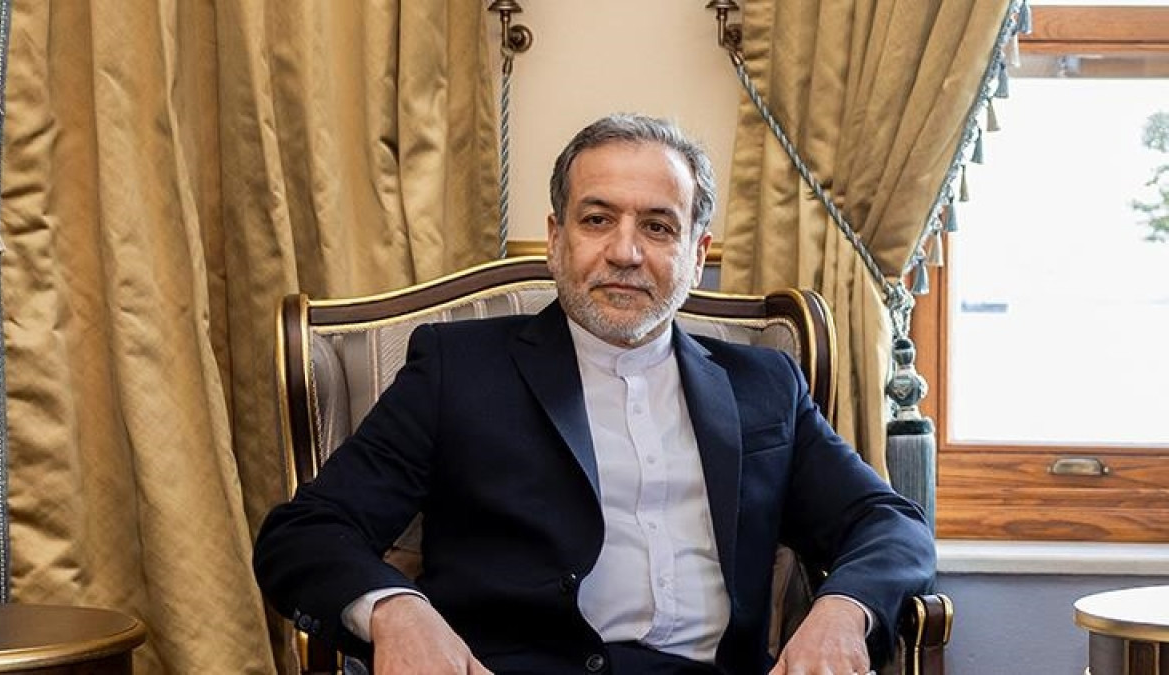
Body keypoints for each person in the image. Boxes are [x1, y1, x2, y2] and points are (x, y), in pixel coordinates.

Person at [254, 113, 936, 675]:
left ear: (697, 254)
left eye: (658, 226)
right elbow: (305, 533)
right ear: (557, 239)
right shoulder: (458, 371)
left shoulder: (763, 385)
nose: (625, 252)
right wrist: (396, 611)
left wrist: (842, 610)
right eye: (598, 219)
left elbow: (888, 522)